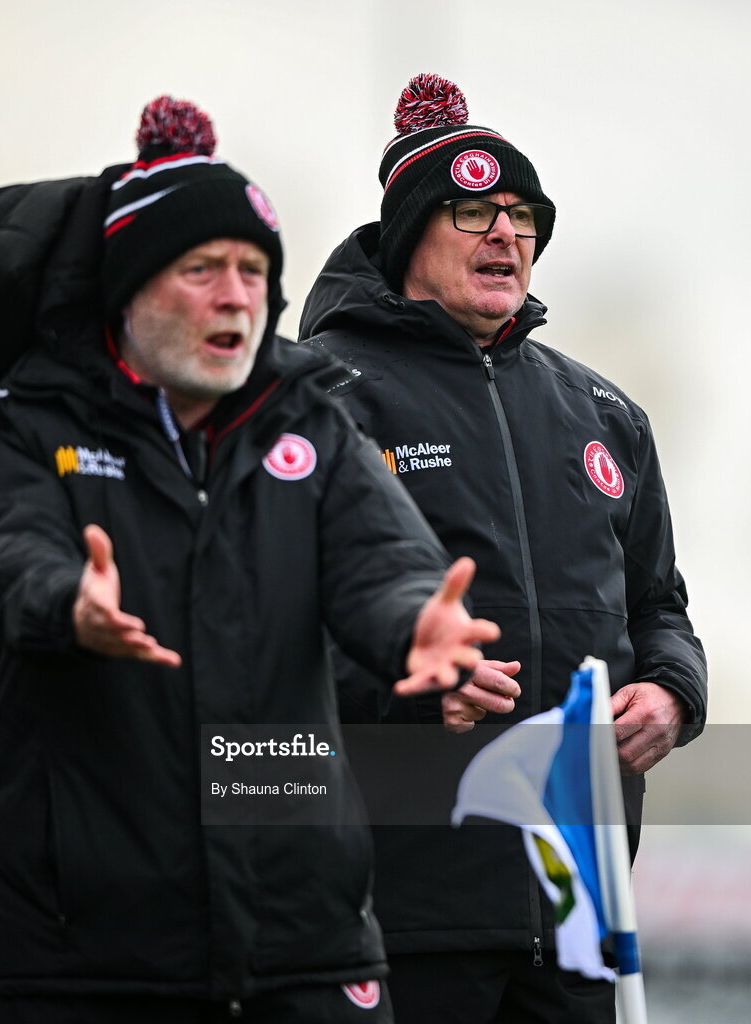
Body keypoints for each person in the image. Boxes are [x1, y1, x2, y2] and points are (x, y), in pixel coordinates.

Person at [0, 94, 501, 1024]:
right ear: (128, 290)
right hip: (86, 956)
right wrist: (67, 600)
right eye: (200, 269)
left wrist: (416, 625)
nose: (236, 293)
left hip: (305, 944)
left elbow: (379, 561)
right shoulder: (17, 428)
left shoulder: (308, 421)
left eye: (251, 269)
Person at [298, 73, 708, 1023]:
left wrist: (674, 691)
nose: (506, 236)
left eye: (523, 217)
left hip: (579, 899)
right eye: (471, 211)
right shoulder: (314, 398)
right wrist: (406, 684)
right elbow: (255, 625)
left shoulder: (603, 413)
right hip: (394, 899)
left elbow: (659, 607)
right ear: (407, 237)